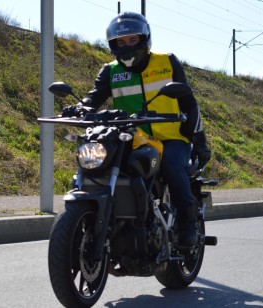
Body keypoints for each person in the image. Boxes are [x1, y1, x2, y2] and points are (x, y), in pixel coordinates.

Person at [62, 12, 211, 246]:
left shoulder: (166, 62)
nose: (127, 45)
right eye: (121, 42)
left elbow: (190, 104)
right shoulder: (110, 71)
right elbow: (94, 97)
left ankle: (187, 223)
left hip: (171, 137)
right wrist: (79, 108)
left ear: (144, 39)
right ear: (113, 45)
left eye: (132, 39)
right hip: (132, 137)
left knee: (172, 165)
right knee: (101, 164)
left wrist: (199, 141)